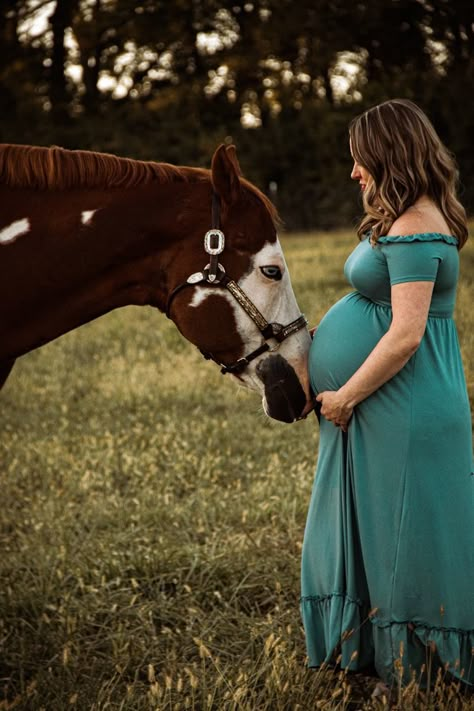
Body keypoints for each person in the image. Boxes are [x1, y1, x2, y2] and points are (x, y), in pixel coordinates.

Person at [300, 98, 473, 692]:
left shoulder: (417, 226)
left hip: (404, 403)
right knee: (378, 530)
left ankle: (415, 671)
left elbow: (405, 335)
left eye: (361, 161)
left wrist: (345, 394)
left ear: (389, 156)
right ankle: (375, 656)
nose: (354, 173)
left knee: (404, 536)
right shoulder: (403, 219)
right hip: (384, 406)